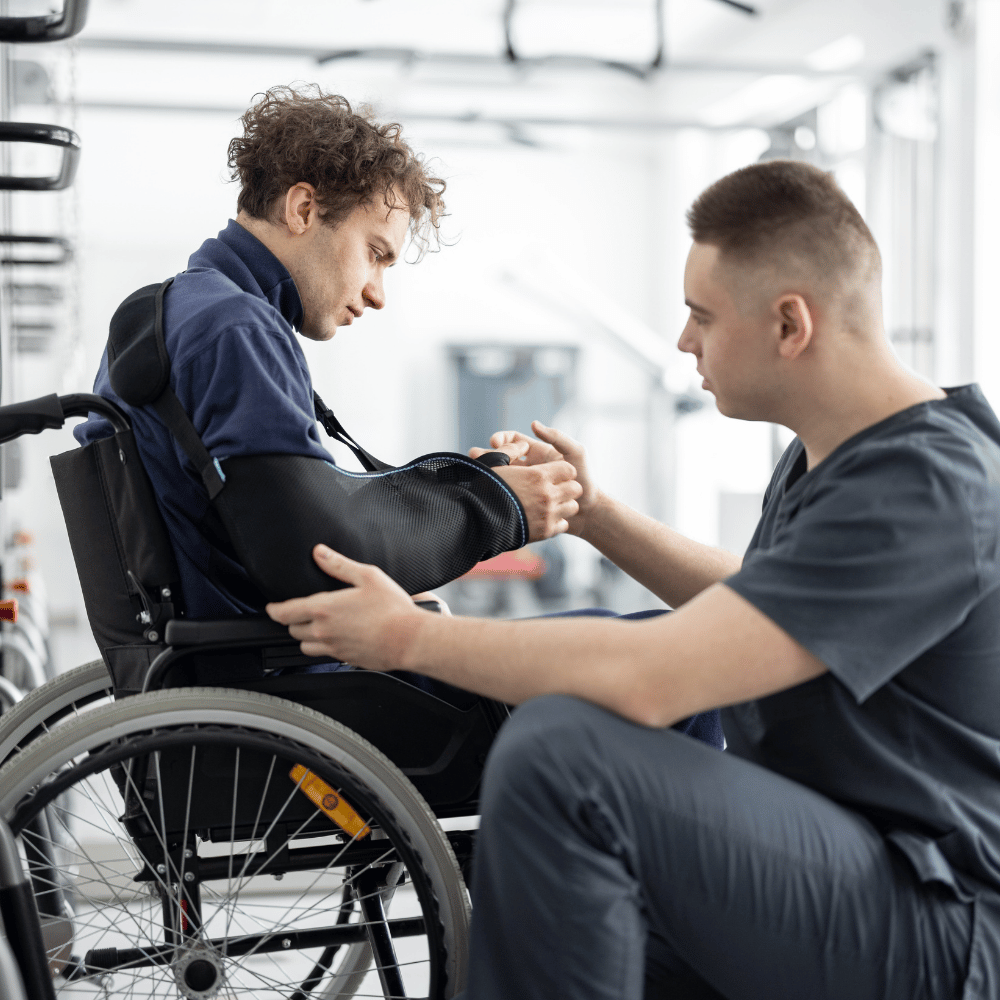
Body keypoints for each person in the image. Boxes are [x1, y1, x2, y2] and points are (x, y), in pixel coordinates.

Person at [267, 159, 1000, 999]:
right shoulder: (830, 451)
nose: (685, 341)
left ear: (790, 324)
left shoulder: (930, 484)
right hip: (827, 860)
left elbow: (656, 682)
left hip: (933, 917)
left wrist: (409, 638)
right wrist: (594, 512)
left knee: (570, 752)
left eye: (701, 316)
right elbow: (759, 602)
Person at [75, 85, 581, 622]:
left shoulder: (176, 308)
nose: (377, 294)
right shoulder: (237, 328)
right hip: (275, 679)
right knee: (579, 656)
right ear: (303, 208)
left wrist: (466, 485)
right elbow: (314, 559)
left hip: (216, 658)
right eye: (375, 253)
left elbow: (298, 516)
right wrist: (501, 508)